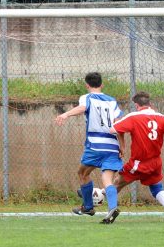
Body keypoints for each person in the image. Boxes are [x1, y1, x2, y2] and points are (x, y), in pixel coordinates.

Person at [110, 91, 164, 222]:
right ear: (150, 104)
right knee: (156, 187)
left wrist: (122, 143)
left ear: (136, 105)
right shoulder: (162, 118)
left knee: (116, 184)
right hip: (155, 163)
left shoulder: (133, 117)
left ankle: (99, 203)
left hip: (138, 163)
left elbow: (114, 129)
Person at [55, 72, 124, 224]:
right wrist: (122, 146)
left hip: (95, 145)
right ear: (102, 84)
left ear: (87, 85)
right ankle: (112, 207)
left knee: (82, 173)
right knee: (107, 179)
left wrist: (66, 115)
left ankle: (88, 207)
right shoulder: (112, 101)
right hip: (113, 146)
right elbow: (119, 124)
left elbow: (83, 107)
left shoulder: (87, 98)